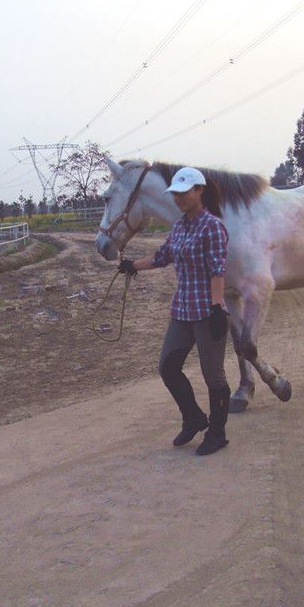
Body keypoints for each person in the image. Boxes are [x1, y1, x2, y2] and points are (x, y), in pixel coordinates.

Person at [118, 166, 231, 456]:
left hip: (207, 311)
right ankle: (194, 417)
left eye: (184, 192)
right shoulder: (179, 226)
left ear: (199, 191)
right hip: (182, 308)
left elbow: (218, 270)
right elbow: (163, 255)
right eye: (176, 194)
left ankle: (217, 433)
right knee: (167, 367)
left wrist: (218, 308)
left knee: (214, 377)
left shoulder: (213, 226)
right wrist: (133, 265)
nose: (178, 198)